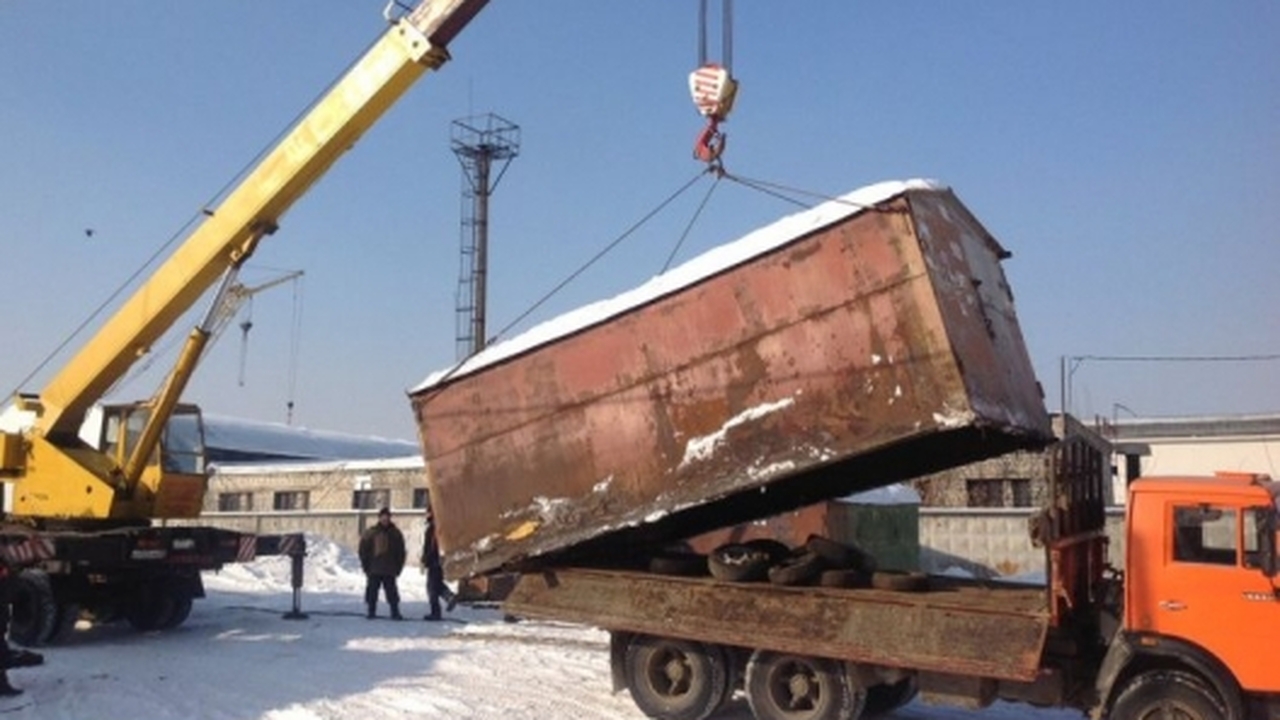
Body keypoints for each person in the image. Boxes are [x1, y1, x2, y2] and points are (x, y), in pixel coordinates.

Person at [358, 507, 406, 620]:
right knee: (372, 591)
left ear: (390, 518)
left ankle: (395, 612)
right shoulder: (371, 532)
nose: (385, 519)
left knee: (392, 592)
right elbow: (363, 550)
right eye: (383, 517)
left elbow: (401, 552)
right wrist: (366, 566)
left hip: (390, 569)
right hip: (374, 568)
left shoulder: (395, 533)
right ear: (379, 518)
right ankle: (371, 611)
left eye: (387, 517)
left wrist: (398, 567)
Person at [421, 504, 455, 621]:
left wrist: (426, 559)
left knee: (431, 588)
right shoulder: (436, 526)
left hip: (435, 561)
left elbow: (431, 546)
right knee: (437, 584)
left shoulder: (434, 528)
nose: (426, 514)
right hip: (438, 561)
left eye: (428, 512)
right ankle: (449, 597)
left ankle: (436, 612)